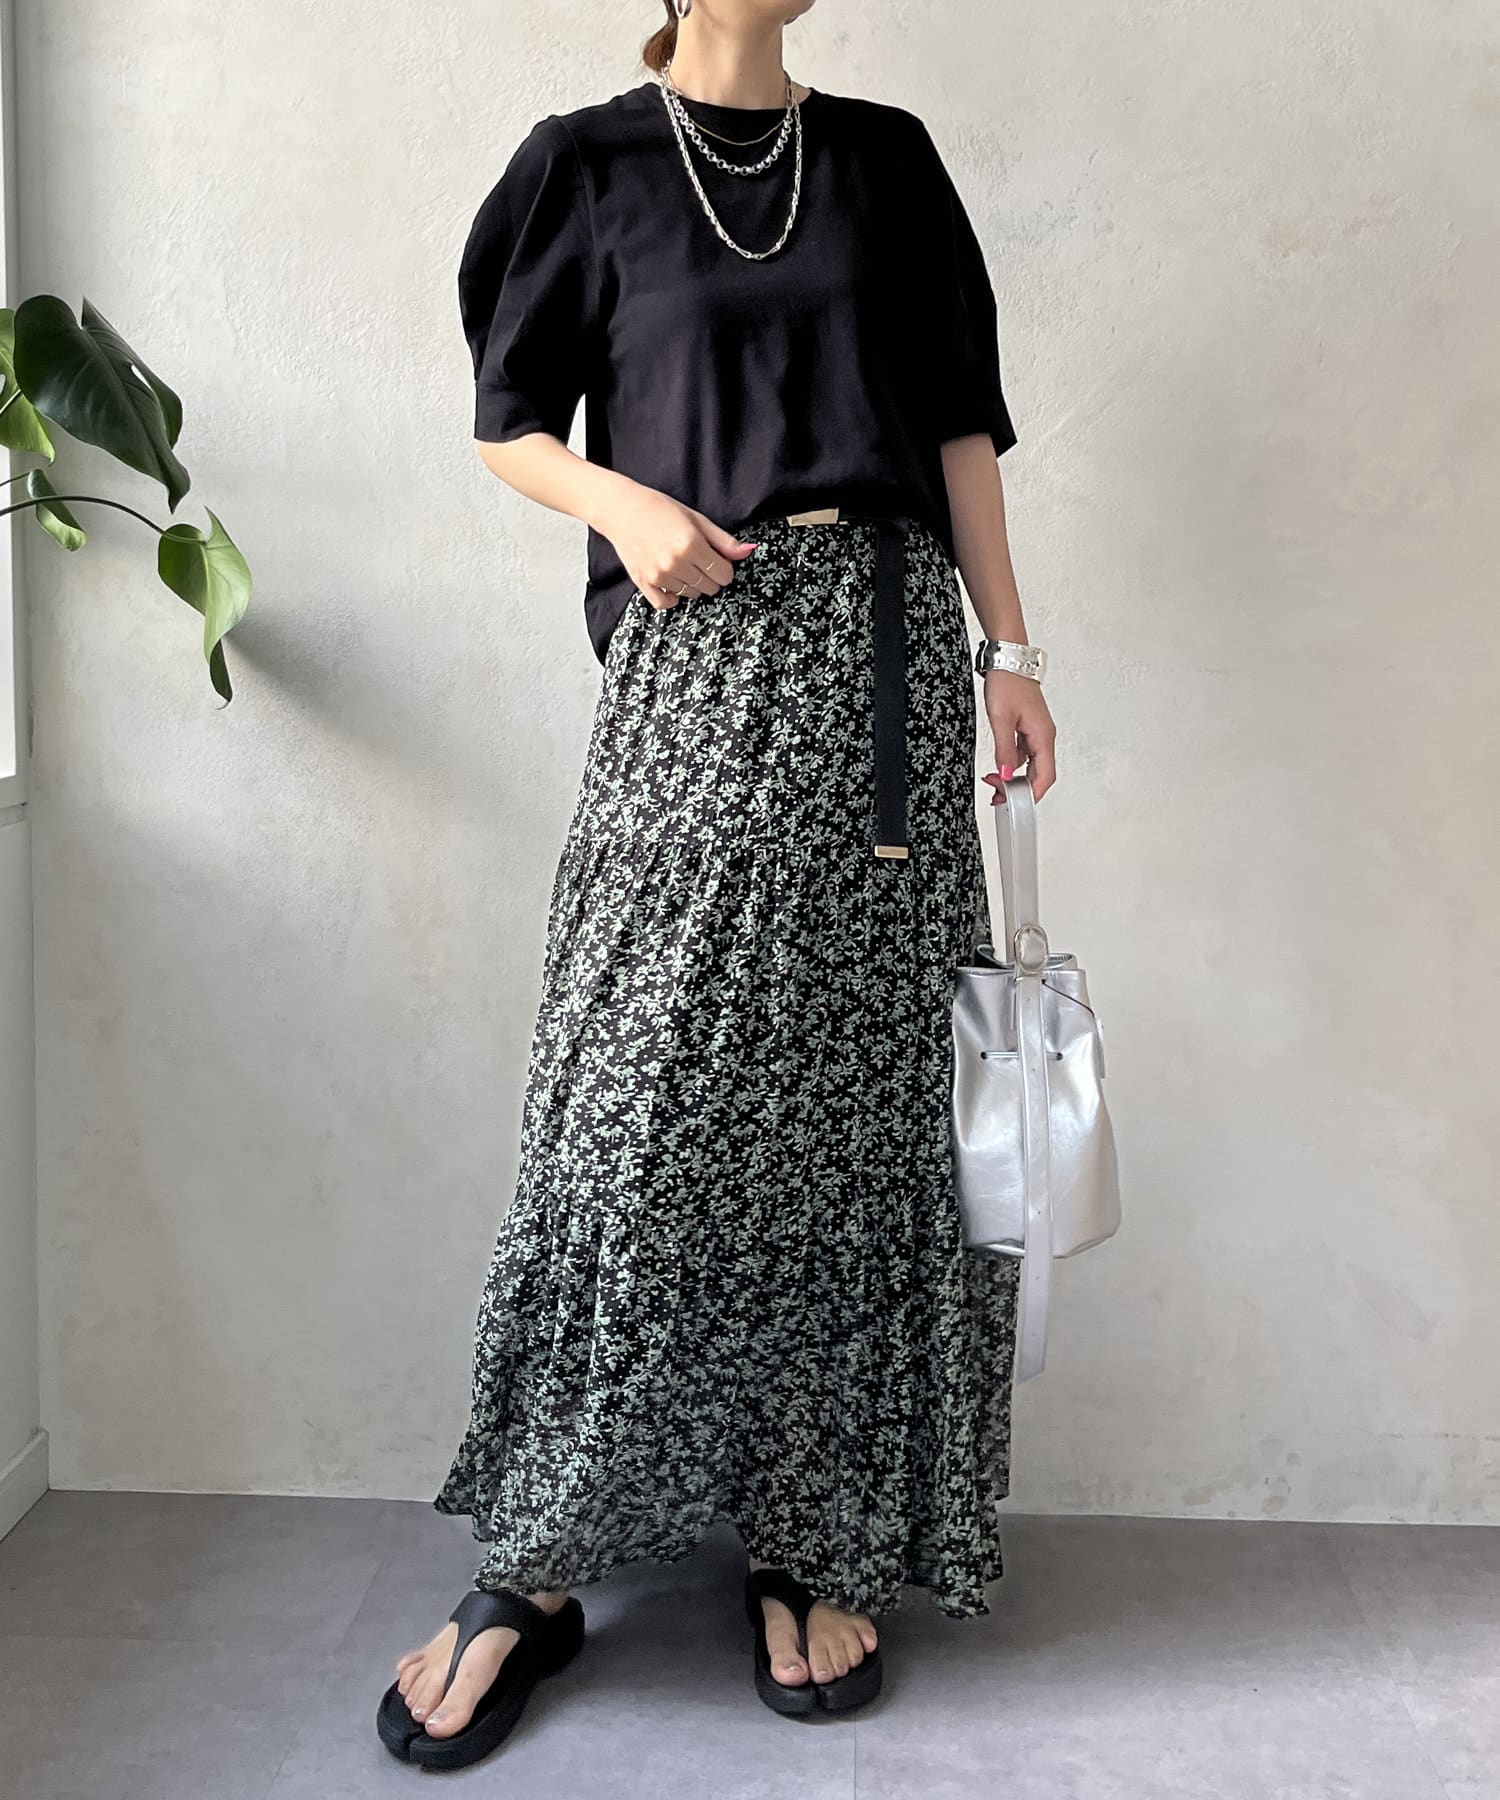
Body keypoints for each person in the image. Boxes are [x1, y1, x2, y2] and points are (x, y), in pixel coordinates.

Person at [377, 0, 1056, 1769]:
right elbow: (508, 420)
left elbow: (961, 431)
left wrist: (1012, 651)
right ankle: (535, 1564)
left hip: (889, 668)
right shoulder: (584, 166)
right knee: (632, 1106)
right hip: (697, 656)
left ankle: (809, 1540)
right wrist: (622, 507)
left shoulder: (887, 161)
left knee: (855, 1115)